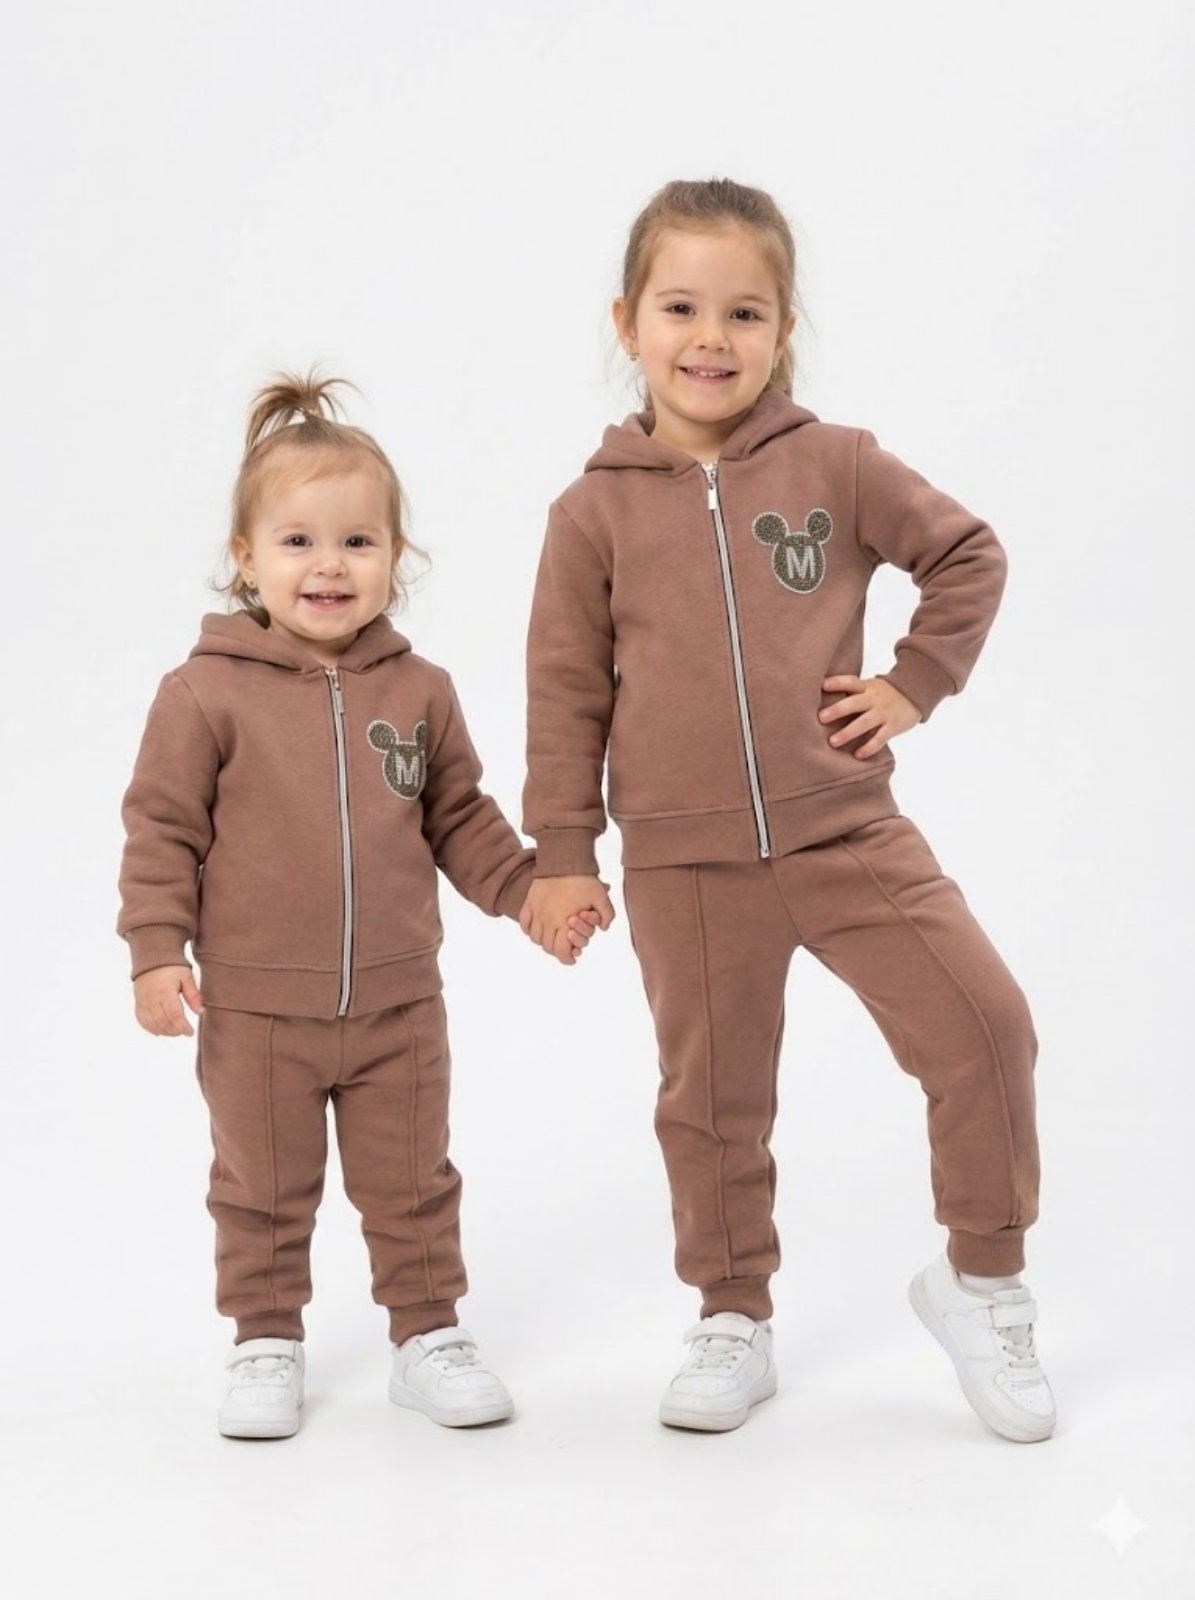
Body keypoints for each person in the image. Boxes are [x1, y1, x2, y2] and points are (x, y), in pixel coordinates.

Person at [519, 178, 1055, 1443]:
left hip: (846, 832)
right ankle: (731, 1313)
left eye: (744, 312)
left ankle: (983, 1284)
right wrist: (560, 852)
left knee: (985, 1028)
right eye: (680, 308)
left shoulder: (837, 464)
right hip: (683, 865)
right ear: (627, 321)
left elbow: (966, 553)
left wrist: (912, 683)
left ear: (783, 329)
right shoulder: (590, 513)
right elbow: (563, 690)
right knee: (711, 1103)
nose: (710, 338)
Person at [118, 372, 597, 1439]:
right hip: (257, 1014)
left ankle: (427, 1337)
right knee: (260, 1186)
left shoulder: (419, 691)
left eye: (357, 542)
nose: (328, 565)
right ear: (246, 559)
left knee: (413, 1181)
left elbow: (459, 818)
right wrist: (155, 951)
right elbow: (161, 832)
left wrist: (528, 893)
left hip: (396, 1008)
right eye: (297, 542)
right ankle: (264, 1338)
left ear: (396, 557)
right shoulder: (202, 694)